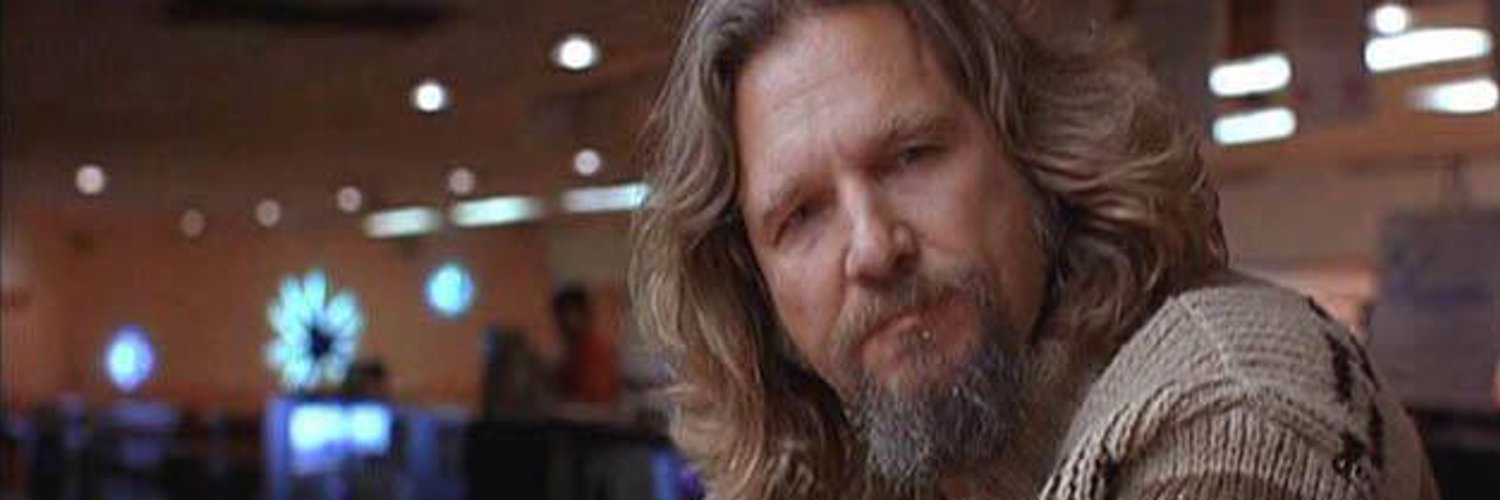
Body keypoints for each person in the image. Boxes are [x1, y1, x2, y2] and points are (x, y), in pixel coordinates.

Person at [628, 1, 1438, 499]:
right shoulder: (911, 456)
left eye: (912, 156)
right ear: (756, 291)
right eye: (801, 215)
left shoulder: (1236, 414)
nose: (872, 248)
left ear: (1034, 151)